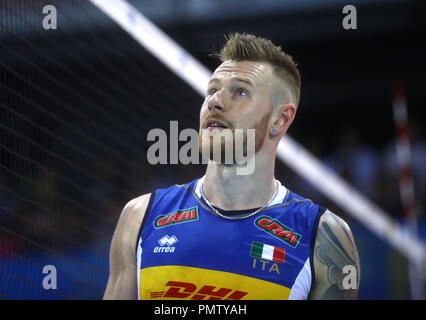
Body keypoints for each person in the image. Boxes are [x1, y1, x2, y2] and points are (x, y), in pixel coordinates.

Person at [103, 33, 360, 300]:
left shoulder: (324, 237)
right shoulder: (140, 217)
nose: (215, 101)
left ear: (280, 119)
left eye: (240, 92)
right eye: (212, 90)